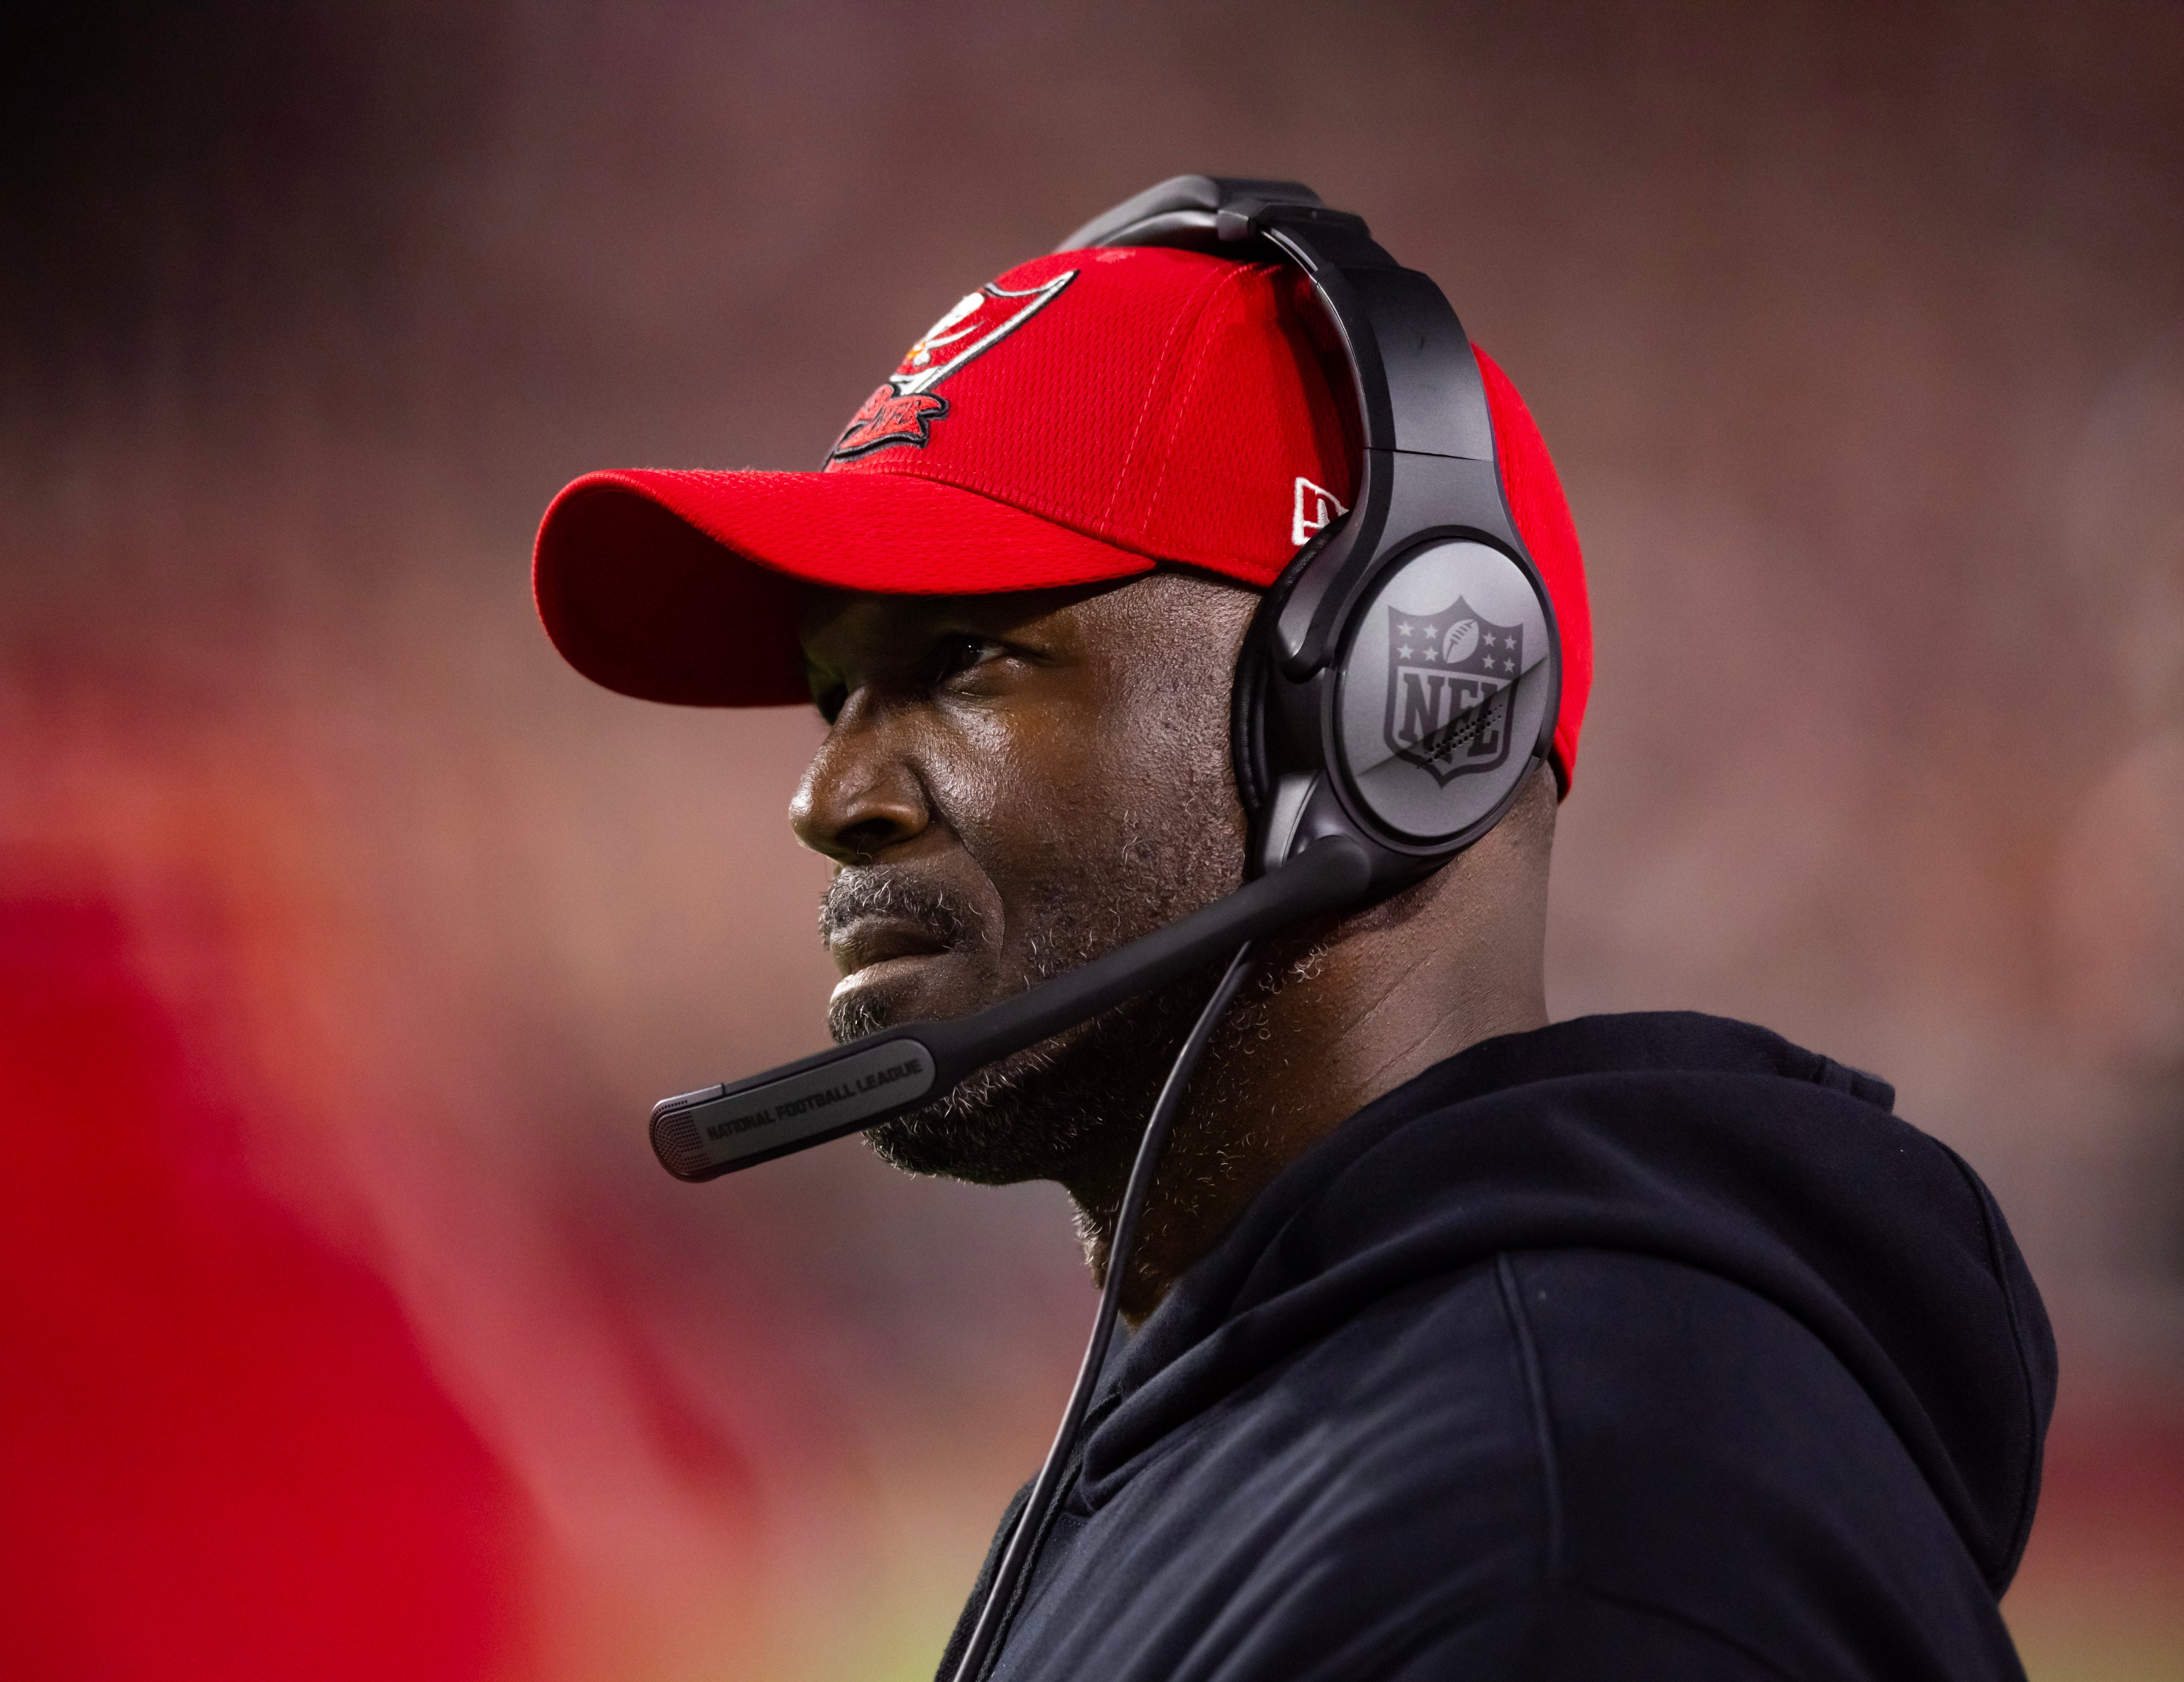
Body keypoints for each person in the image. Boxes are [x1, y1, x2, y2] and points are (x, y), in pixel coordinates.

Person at [529, 190, 2053, 1680]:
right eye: (832, 696)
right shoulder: (1280, 1429)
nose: (827, 797)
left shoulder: (1565, 1545)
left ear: (1399, 710)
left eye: (966, 661)